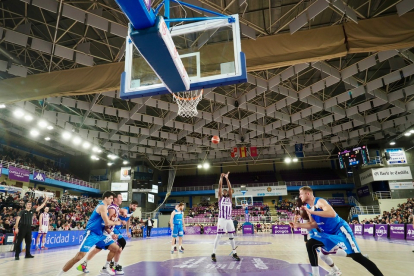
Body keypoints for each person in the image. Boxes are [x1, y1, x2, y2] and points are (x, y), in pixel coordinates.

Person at [290, 186, 383, 276]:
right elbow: (313, 224)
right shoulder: (307, 206)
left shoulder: (320, 201)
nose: (299, 196)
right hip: (327, 234)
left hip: (340, 230)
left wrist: (312, 211)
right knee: (310, 244)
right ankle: (315, 274)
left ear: (308, 193)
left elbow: (332, 214)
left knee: (357, 257)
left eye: (301, 194)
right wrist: (298, 225)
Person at [56, 191, 121, 276]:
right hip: (92, 234)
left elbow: (105, 224)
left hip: (100, 234)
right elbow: (107, 222)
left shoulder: (106, 208)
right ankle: (59, 274)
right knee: (79, 257)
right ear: (106, 198)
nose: (112, 200)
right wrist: (116, 223)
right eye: (111, 198)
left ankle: (105, 268)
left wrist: (111, 232)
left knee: (115, 248)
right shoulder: (102, 207)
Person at [77, 192, 128, 275]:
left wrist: (121, 218)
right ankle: (113, 266)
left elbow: (118, 214)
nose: (122, 199)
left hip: (108, 231)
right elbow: (106, 223)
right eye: (120, 197)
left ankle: (85, 264)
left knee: (98, 249)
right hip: (105, 232)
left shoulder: (116, 208)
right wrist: (111, 233)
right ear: (115, 199)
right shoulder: (111, 208)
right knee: (118, 246)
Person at [211, 172, 240, 262]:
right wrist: (221, 178)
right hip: (221, 219)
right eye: (224, 191)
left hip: (229, 219)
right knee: (219, 236)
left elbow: (230, 188)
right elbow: (219, 187)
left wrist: (227, 178)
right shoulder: (220, 198)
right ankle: (213, 253)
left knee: (231, 236)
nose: (225, 191)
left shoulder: (230, 198)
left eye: (226, 191)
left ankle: (234, 253)